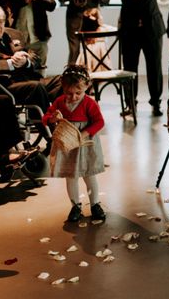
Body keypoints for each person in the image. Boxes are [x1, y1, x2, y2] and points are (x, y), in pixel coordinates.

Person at [103, 0, 167, 117]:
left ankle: (156, 104)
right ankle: (131, 104)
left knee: (154, 68)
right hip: (129, 32)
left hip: (152, 31)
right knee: (129, 69)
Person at [43, 65, 106, 222]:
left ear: (86, 87)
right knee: (71, 177)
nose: (74, 97)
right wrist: (53, 118)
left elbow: (99, 122)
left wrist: (84, 134)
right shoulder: (59, 102)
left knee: (89, 175)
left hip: (85, 144)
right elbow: (46, 117)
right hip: (68, 146)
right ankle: (75, 206)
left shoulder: (89, 103)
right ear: (63, 89)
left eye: (78, 93)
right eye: (69, 93)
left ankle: (95, 204)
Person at [0, 5, 59, 112]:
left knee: (63, 81)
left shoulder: (8, 36)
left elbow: (36, 59)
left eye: (1, 22)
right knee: (36, 88)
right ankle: (48, 125)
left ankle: (69, 123)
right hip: (6, 85)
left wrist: (26, 62)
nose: (0, 27)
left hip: (27, 79)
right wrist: (11, 63)